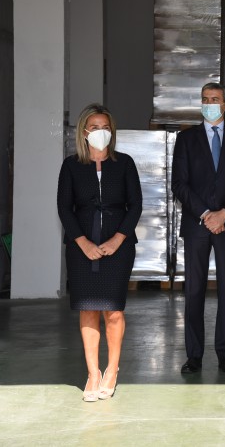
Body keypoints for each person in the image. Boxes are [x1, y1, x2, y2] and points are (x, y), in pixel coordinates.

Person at [57, 103, 143, 402]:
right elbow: (64, 209)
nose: (100, 132)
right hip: (81, 247)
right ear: (84, 132)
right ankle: (93, 373)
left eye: (105, 127)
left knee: (114, 311)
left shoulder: (125, 164)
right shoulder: (71, 166)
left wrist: (118, 240)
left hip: (118, 247)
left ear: (112, 132)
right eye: (94, 127)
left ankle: (112, 369)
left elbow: (136, 206)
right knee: (88, 309)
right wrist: (83, 243)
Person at [171, 82, 225, 375]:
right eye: (205, 99)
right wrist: (208, 214)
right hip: (197, 225)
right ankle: (194, 355)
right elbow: (179, 184)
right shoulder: (186, 139)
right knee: (193, 290)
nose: (209, 103)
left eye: (215, 99)